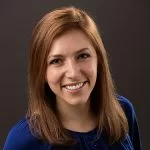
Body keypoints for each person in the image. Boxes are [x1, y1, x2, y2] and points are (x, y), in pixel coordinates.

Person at [4, 6, 142, 150]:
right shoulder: (22, 141)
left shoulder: (123, 111)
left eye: (83, 56)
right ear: (41, 72)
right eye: (56, 61)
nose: (73, 73)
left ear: (99, 60)